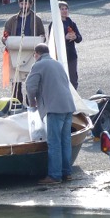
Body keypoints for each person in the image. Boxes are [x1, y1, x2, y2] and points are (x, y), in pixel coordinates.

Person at [25, 44, 76, 185]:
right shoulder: (57, 64)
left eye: (34, 55)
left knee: (54, 143)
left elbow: (30, 86)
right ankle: (67, 173)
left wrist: (32, 101)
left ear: (37, 54)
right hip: (68, 106)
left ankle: (54, 176)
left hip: (54, 108)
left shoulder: (39, 65)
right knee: (65, 141)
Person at [2, 0, 46, 102]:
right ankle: (17, 103)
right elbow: (5, 35)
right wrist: (4, 40)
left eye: (26, 3)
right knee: (16, 82)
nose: (23, 6)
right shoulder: (12, 20)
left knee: (31, 81)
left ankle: (31, 103)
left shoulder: (37, 19)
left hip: (32, 54)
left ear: (31, 4)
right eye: (21, 3)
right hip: (15, 54)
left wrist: (41, 38)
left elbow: (43, 36)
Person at [59, 1, 83, 89]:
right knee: (61, 78)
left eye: (66, 9)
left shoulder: (71, 23)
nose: (64, 11)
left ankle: (74, 98)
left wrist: (75, 36)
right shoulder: (54, 24)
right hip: (60, 55)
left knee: (73, 78)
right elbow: (51, 40)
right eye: (62, 9)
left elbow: (79, 38)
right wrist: (64, 38)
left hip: (71, 55)